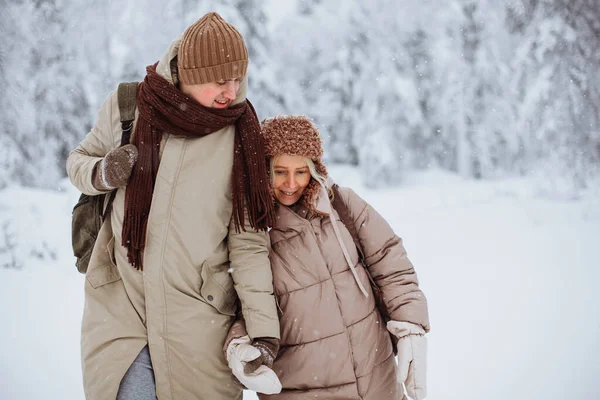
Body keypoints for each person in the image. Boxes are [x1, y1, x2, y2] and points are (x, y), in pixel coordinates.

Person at [66, 12, 281, 400]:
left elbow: (248, 244)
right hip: (122, 306)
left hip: (198, 318)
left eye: (238, 78)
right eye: (220, 80)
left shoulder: (241, 136)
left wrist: (264, 331)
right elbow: (78, 161)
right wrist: (103, 173)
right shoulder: (128, 106)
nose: (231, 92)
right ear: (189, 73)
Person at [224, 115, 431, 399]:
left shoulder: (342, 205)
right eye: (279, 171)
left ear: (314, 169)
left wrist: (410, 324)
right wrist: (238, 345)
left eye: (301, 171)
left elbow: (391, 263)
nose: (290, 183)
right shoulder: (250, 232)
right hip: (303, 386)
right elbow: (239, 304)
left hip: (378, 380)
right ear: (263, 170)